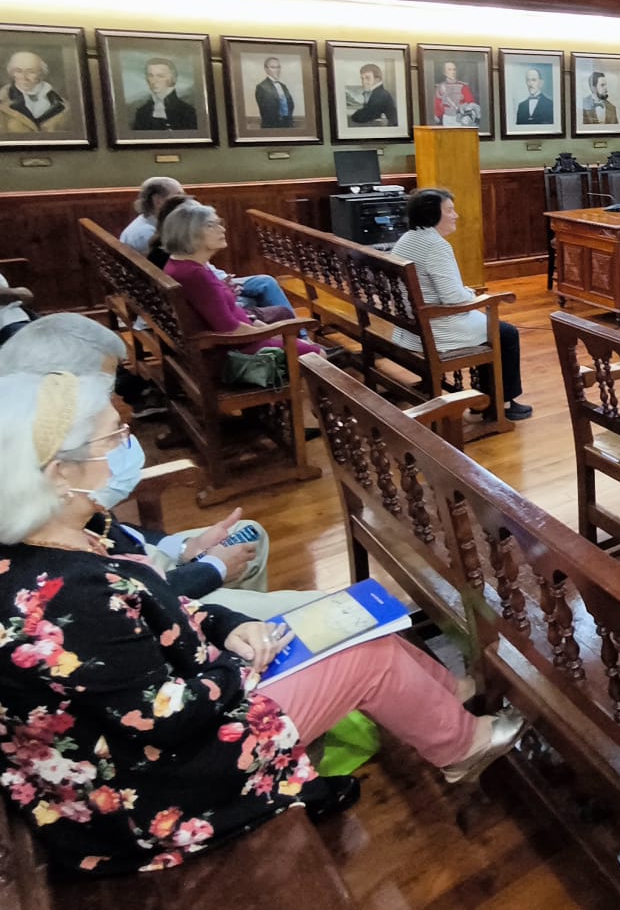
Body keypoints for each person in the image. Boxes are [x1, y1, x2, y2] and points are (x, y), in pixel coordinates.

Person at [0, 370, 526, 875]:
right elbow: (164, 719)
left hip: (168, 720)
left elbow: (155, 607)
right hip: (155, 786)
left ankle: (444, 692)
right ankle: (460, 746)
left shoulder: (72, 527)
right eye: (109, 435)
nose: (121, 443)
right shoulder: (62, 598)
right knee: (366, 653)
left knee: (351, 620)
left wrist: (227, 623)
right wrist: (240, 664)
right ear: (57, 471)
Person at [0, 314, 317, 619]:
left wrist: (181, 548)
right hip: (150, 605)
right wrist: (211, 569)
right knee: (333, 613)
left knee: (251, 537)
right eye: (105, 393)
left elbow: (109, 529)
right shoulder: (40, 520)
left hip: (138, 570)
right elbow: (118, 598)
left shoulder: (53, 463)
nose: (116, 405)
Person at [390, 189, 529, 421]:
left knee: (492, 327)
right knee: (505, 333)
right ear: (431, 214)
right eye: (449, 210)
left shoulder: (408, 238)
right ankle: (499, 403)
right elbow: (454, 298)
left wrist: (464, 293)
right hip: (435, 329)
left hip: (410, 327)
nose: (456, 215)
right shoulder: (436, 245)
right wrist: (471, 292)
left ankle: (485, 396)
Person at [161, 203, 321, 363]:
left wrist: (261, 326)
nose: (222, 230)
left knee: (285, 318)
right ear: (190, 233)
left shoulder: (185, 264)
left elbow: (228, 316)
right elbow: (231, 330)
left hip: (237, 338)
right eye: (211, 225)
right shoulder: (195, 275)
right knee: (317, 355)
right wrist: (273, 335)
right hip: (236, 351)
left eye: (219, 223)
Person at [146, 193, 294, 320]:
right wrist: (226, 291)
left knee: (265, 283)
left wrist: (223, 286)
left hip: (215, 296)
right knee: (275, 307)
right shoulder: (181, 260)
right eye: (209, 224)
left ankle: (297, 338)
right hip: (223, 325)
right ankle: (299, 337)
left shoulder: (181, 257)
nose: (222, 229)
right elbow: (225, 321)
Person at [3, 50, 68, 134]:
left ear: (41, 73)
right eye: (18, 71)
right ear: (12, 73)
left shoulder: (63, 105)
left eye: (31, 72)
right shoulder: (3, 101)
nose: (24, 77)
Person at [120, 175, 183, 254]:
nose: (184, 201)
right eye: (178, 196)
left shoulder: (152, 222)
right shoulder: (146, 234)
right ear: (158, 200)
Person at [131, 57, 198, 132]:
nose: (153, 81)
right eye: (150, 75)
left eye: (160, 76)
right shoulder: (142, 112)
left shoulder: (188, 112)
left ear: (172, 78)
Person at [254, 55, 297, 129]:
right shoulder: (262, 87)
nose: (277, 70)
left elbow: (290, 104)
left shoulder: (283, 86)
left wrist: (288, 120)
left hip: (288, 124)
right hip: (272, 126)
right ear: (266, 69)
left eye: (278, 67)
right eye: (273, 67)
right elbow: (265, 110)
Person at [433, 60, 479, 127]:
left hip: (461, 118)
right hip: (447, 118)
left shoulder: (463, 86)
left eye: (454, 69)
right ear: (444, 72)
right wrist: (436, 115)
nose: (452, 72)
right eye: (449, 69)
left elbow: (470, 102)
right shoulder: (440, 87)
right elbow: (438, 105)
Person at [0, 271, 33, 347]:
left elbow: (27, 297)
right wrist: (18, 292)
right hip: (7, 325)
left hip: (17, 317)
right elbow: (25, 295)